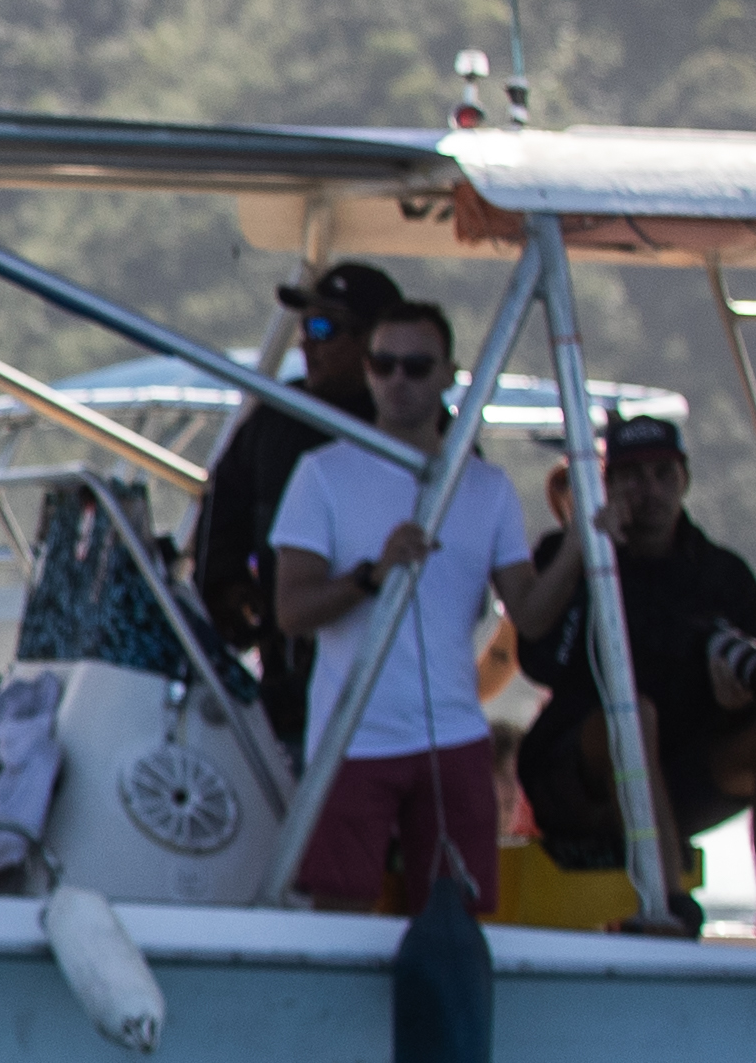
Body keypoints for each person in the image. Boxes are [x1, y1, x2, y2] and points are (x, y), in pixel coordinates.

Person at [270, 297, 557, 919]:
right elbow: (292, 610)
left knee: (458, 918)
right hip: (352, 737)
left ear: (448, 373)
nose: (398, 380)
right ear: (368, 371)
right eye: (384, 364)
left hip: (451, 735)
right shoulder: (322, 475)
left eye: (417, 367)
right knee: (339, 912)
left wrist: (588, 543)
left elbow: (530, 614)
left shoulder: (486, 488)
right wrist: (372, 575)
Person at [509, 415, 756, 940]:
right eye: (631, 476)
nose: (648, 490)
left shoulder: (723, 576)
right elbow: (539, 661)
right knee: (635, 713)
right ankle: (669, 905)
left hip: (679, 777)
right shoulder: (569, 554)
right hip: (578, 775)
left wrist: (738, 695)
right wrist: (582, 553)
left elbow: (754, 686)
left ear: (684, 480)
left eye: (661, 475)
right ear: (606, 485)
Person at [194, 259, 402, 749]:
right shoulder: (274, 420)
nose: (308, 341)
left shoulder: (423, 437)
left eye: (325, 327)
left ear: (375, 340)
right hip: (288, 687)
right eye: (304, 326)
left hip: (391, 689)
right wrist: (230, 591)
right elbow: (217, 526)